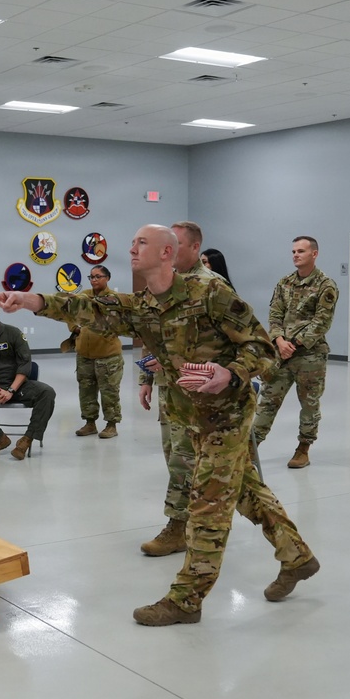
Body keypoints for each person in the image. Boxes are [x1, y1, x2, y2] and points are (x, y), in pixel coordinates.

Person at [0, 224, 319, 626]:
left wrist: (230, 372)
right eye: (131, 243)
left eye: (141, 243)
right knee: (246, 492)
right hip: (190, 417)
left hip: (228, 416)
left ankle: (187, 599)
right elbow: (90, 309)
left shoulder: (210, 294)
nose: (131, 248)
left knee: (206, 504)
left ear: (167, 252)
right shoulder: (144, 305)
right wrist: (30, 300)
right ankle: (298, 558)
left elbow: (262, 348)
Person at [138, 221, 228, 556]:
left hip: (200, 396)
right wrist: (146, 380)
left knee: (186, 461)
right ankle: (193, 522)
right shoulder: (163, 286)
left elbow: (229, 346)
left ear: (193, 247)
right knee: (174, 457)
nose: (169, 249)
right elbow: (151, 336)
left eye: (176, 243)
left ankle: (180, 527)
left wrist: (179, 361)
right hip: (169, 392)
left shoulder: (213, 288)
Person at [253, 236, 338, 468]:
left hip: (310, 356)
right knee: (268, 400)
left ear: (314, 254)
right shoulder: (284, 283)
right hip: (282, 353)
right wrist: (279, 341)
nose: (295, 255)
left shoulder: (325, 285)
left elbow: (322, 321)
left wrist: (296, 343)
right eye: (293, 251)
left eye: (301, 251)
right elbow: (275, 315)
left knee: (309, 404)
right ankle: (251, 447)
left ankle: (303, 448)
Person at [0, 299, 56, 460]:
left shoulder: (13, 334)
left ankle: (26, 440)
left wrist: (11, 390)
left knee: (47, 393)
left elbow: (25, 365)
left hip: (18, 385)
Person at [71, 265, 123, 439]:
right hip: (84, 355)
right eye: (91, 277)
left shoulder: (113, 299)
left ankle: (111, 424)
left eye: (98, 276)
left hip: (107, 355)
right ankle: (90, 423)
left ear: (107, 278)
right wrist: (75, 328)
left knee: (109, 391)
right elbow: (70, 312)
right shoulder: (84, 296)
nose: (94, 280)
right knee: (86, 390)